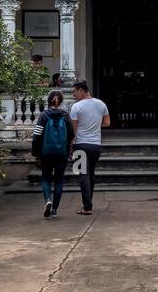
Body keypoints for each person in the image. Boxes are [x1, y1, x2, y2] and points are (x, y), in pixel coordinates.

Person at [68, 80, 110, 215]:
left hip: (81, 144)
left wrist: (70, 145)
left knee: (83, 174)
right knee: (90, 174)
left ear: (81, 90)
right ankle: (88, 202)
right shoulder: (101, 104)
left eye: (74, 91)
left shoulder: (76, 107)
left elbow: (73, 129)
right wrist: (96, 125)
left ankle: (87, 206)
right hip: (96, 145)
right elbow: (107, 123)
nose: (74, 94)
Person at [31, 90, 73, 218]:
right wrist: (67, 149)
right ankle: (54, 210)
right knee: (59, 180)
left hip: (46, 152)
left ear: (49, 100)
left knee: (46, 178)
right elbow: (71, 134)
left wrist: (36, 151)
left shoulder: (44, 115)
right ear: (61, 101)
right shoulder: (65, 115)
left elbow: (37, 135)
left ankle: (48, 199)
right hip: (61, 152)